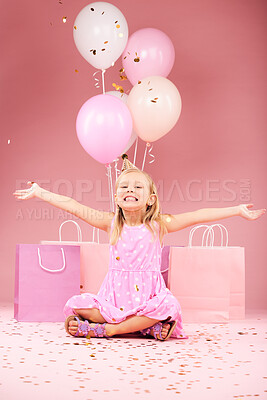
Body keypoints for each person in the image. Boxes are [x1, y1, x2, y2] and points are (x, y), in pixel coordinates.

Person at [13, 155, 266, 341]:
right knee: (76, 305)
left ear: (150, 199)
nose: (130, 190)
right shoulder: (110, 223)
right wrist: (40, 192)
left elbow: (199, 214)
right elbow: (73, 206)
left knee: (170, 307)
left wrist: (237, 211)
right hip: (114, 297)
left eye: (137, 187)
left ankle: (111, 329)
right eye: (124, 186)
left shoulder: (159, 225)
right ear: (116, 197)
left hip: (148, 297)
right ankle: (143, 328)